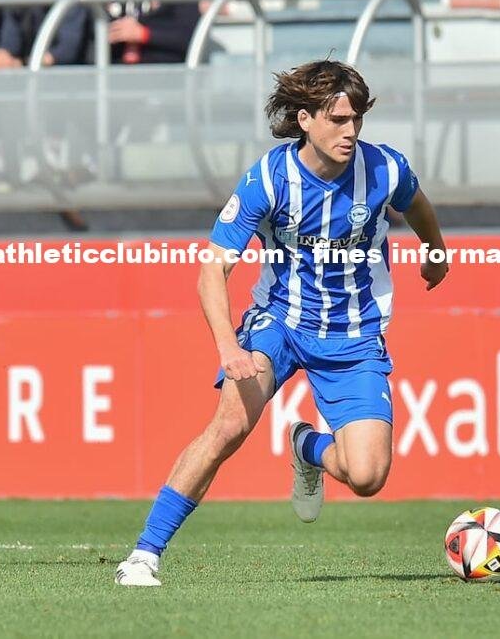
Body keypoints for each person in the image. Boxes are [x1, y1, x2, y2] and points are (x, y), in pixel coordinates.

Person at [114, 60, 450, 587]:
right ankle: (143, 556)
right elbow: (211, 274)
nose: (351, 131)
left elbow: (419, 205)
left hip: (355, 335)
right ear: (305, 119)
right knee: (229, 426)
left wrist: (435, 251)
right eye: (338, 120)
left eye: (356, 119)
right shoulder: (268, 179)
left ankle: (305, 446)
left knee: (367, 476)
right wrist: (229, 348)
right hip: (280, 322)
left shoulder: (384, 169)